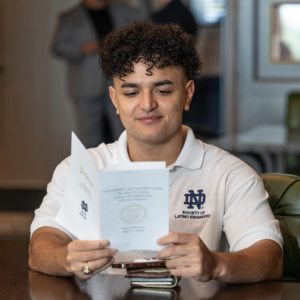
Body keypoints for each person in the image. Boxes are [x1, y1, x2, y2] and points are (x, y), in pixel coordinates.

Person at [29, 21, 283, 283]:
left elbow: (270, 258)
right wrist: (66, 258)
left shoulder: (230, 174)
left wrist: (216, 263)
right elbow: (40, 248)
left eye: (162, 91)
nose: (147, 104)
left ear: (187, 95)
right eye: (131, 92)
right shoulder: (79, 168)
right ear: (115, 100)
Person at [52, 0, 149, 147]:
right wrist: (80, 48)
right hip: (87, 84)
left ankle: (127, 167)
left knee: (125, 132)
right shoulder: (70, 16)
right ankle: (92, 169)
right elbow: (57, 46)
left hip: (118, 81)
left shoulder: (120, 8)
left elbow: (144, 19)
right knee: (90, 137)